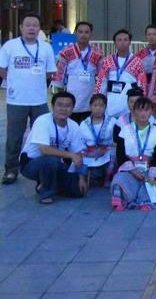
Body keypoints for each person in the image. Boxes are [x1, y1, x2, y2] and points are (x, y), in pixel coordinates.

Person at [0, 13, 57, 184]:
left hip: (39, 100)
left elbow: (50, 72)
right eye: (28, 25)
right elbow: (2, 69)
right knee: (14, 137)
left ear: (39, 29)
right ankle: (11, 169)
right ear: (21, 28)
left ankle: (39, 169)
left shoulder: (46, 48)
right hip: (16, 100)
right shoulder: (10, 46)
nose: (32, 28)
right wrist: (14, 84)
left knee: (42, 136)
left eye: (35, 25)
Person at [19, 92, 84, 204]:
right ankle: (46, 192)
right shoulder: (43, 121)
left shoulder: (74, 126)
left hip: (56, 164)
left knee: (78, 192)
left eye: (68, 106)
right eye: (60, 105)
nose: (63, 109)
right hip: (31, 163)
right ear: (53, 106)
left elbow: (78, 153)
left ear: (73, 108)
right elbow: (44, 150)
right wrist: (70, 155)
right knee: (51, 159)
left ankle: (46, 183)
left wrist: (81, 177)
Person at [110, 97, 156, 211]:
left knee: (151, 186)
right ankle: (121, 200)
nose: (143, 113)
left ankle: (144, 202)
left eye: (146, 110)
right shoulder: (125, 131)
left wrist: (153, 176)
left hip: (149, 169)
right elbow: (120, 155)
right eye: (140, 110)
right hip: (130, 170)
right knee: (119, 180)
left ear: (151, 112)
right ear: (134, 111)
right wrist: (133, 170)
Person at [52, 21, 104, 123]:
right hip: (71, 101)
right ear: (75, 33)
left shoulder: (97, 53)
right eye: (80, 32)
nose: (83, 35)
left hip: (90, 101)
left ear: (91, 34)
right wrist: (62, 99)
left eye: (86, 32)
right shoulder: (65, 52)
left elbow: (102, 77)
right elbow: (59, 77)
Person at [95, 29, 148, 119]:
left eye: (125, 40)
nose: (122, 42)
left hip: (128, 101)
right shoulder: (108, 60)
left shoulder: (137, 61)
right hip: (111, 101)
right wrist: (98, 98)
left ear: (129, 42)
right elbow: (101, 80)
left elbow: (142, 83)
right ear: (115, 43)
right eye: (119, 40)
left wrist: (141, 101)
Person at [78, 94, 117, 189]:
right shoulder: (84, 124)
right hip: (90, 153)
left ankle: (107, 179)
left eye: (101, 106)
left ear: (105, 107)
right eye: (95, 105)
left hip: (107, 152)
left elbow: (116, 141)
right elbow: (80, 143)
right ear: (90, 107)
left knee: (113, 157)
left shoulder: (113, 121)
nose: (98, 108)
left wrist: (104, 150)